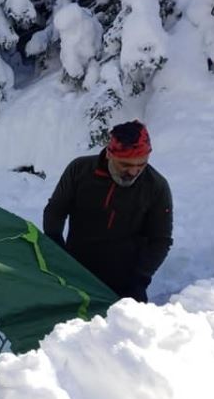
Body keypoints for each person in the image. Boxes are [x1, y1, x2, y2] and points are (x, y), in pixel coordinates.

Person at [43, 120, 173, 302]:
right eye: (125, 165)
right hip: (77, 270)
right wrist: (57, 250)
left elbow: (161, 240)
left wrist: (140, 279)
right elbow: (55, 210)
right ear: (110, 154)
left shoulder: (156, 186)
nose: (134, 171)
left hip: (125, 280)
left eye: (141, 164)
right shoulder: (80, 170)